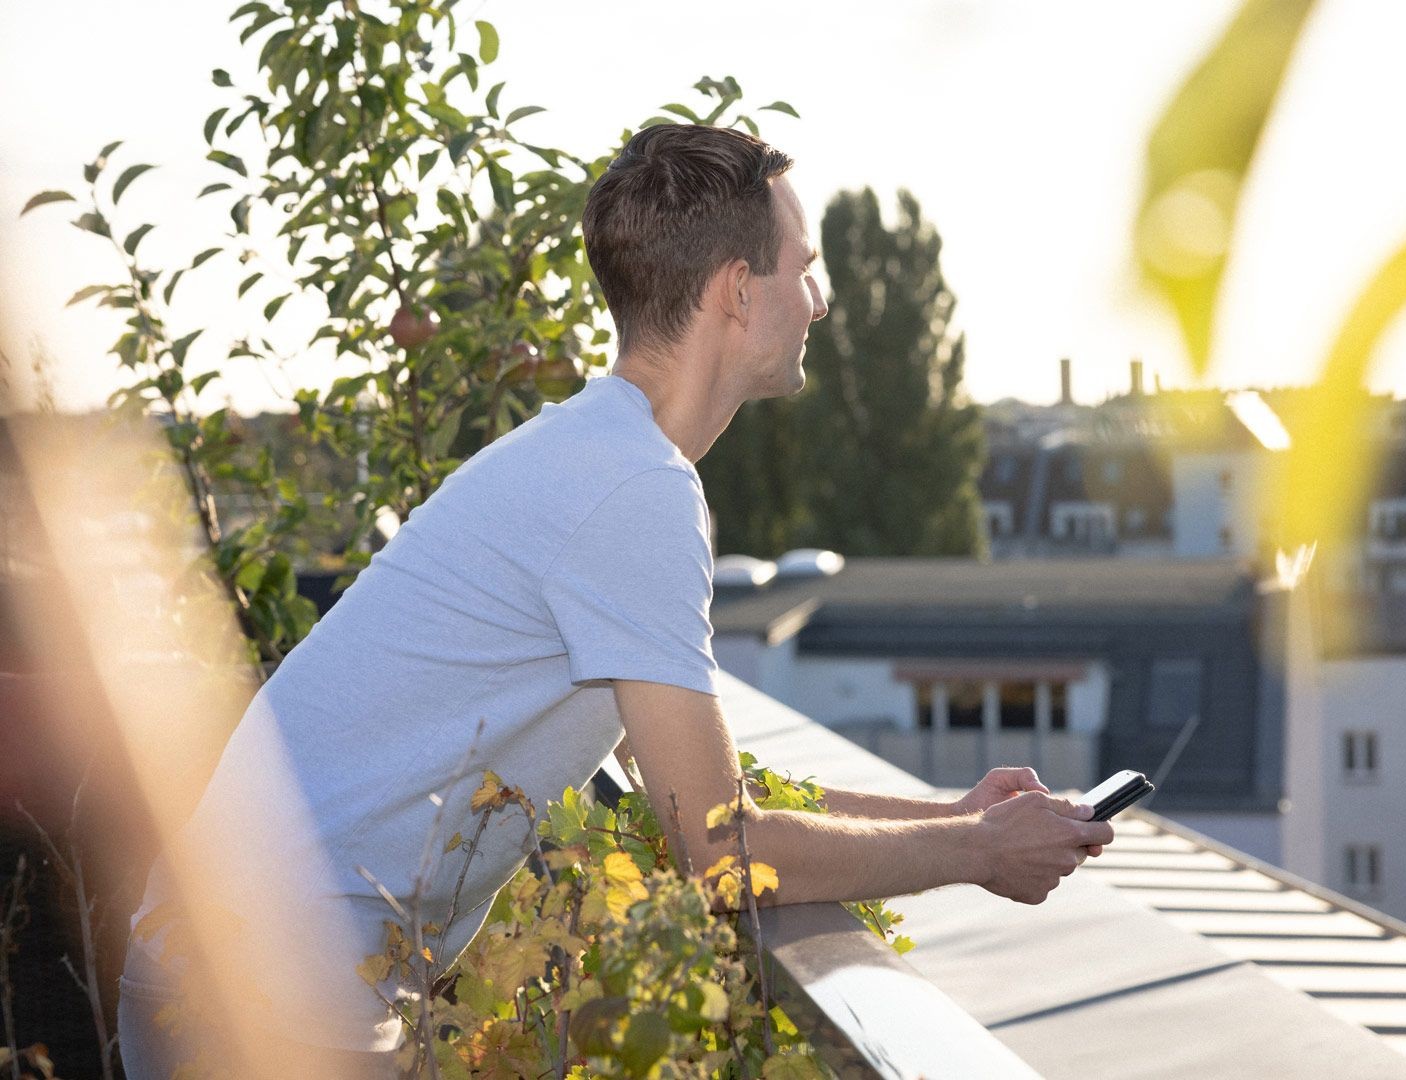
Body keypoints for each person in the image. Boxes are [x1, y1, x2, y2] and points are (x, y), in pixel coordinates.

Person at [117, 123, 1113, 1074]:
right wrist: (976, 852)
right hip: (264, 1000)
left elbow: (701, 781)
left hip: (228, 972)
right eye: (802, 266)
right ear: (735, 292)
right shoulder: (633, 489)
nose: (819, 299)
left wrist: (942, 813)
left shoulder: (597, 456)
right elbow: (719, 850)